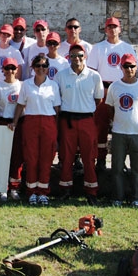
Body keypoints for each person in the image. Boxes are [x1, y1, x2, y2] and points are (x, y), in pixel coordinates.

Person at [87, 17, 138, 170]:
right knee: (101, 126)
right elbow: (93, 72)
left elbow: (133, 71)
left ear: (120, 29)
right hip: (103, 89)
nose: (112, 29)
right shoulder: (98, 48)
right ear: (105, 29)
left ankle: (120, 160)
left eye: (115, 26)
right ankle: (100, 159)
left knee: (121, 125)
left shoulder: (127, 48)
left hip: (122, 90)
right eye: (109, 26)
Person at [55, 44, 103, 204]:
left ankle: (91, 191)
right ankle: (65, 189)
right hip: (67, 120)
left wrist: (84, 108)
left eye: (80, 55)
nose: (77, 59)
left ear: (85, 57)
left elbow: (98, 99)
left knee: (89, 157)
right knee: (66, 157)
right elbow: (57, 98)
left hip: (86, 120)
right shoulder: (61, 76)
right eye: (73, 55)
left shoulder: (94, 76)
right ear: (68, 57)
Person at [12, 54, 61, 206]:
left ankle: (43, 192)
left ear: (48, 69)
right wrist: (14, 122)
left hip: (48, 121)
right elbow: (20, 105)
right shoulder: (26, 84)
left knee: (46, 158)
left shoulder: (53, 85)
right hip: (31, 121)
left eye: (44, 66)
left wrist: (57, 130)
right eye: (38, 66)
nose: (41, 69)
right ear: (33, 67)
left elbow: (57, 109)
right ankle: (32, 191)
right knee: (31, 158)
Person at [105, 53, 138, 208]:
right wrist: (116, 122)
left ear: (136, 67)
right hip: (119, 132)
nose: (129, 69)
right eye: (126, 66)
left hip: (137, 132)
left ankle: (136, 197)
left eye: (132, 66)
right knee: (117, 167)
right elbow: (110, 108)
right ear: (121, 67)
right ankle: (118, 197)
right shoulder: (115, 86)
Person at [0, 57, 23, 202]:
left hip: (19, 123)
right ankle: (2, 188)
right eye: (7, 68)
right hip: (4, 123)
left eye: (13, 68)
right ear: (2, 70)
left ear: (16, 70)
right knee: (3, 157)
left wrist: (16, 123)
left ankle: (15, 187)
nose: (10, 71)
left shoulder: (22, 86)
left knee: (17, 156)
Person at [0, 24, 24, 88]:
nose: (5, 37)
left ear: (11, 37)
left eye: (8, 35)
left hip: (11, 86)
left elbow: (18, 74)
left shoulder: (16, 52)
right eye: (3, 34)